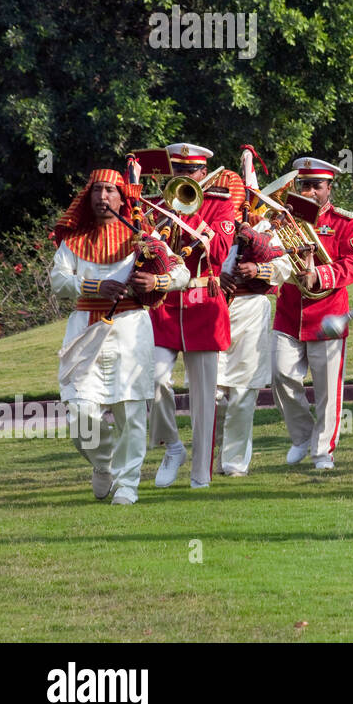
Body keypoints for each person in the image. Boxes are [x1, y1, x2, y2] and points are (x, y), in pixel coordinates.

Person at [49, 169, 188, 504]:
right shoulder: (74, 241)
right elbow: (58, 281)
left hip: (130, 328)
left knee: (130, 411)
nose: (102, 197)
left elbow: (180, 271)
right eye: (96, 190)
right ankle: (103, 464)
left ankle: (127, 485)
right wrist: (94, 286)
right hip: (85, 331)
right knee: (81, 414)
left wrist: (157, 283)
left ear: (123, 197)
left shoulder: (143, 235)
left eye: (110, 190)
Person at [148, 142, 238, 489]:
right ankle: (172, 447)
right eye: (178, 171)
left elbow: (217, 252)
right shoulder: (156, 205)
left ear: (203, 173)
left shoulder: (220, 203)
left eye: (190, 172)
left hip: (203, 303)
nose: (183, 176)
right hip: (166, 305)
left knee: (203, 398)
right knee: (153, 380)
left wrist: (190, 208)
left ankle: (201, 474)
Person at [271, 157, 353, 470]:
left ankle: (323, 450)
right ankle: (303, 435)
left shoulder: (344, 221)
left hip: (327, 312)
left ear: (329, 188)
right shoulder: (286, 217)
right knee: (281, 375)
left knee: (327, 389)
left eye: (316, 186)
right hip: (289, 311)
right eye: (305, 185)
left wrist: (321, 275)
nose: (309, 191)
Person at [214, 167, 293, 477]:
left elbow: (285, 265)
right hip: (214, 308)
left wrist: (257, 272)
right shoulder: (209, 227)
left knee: (243, 391)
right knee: (214, 391)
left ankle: (234, 462)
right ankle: (212, 450)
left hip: (250, 308)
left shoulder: (269, 229)